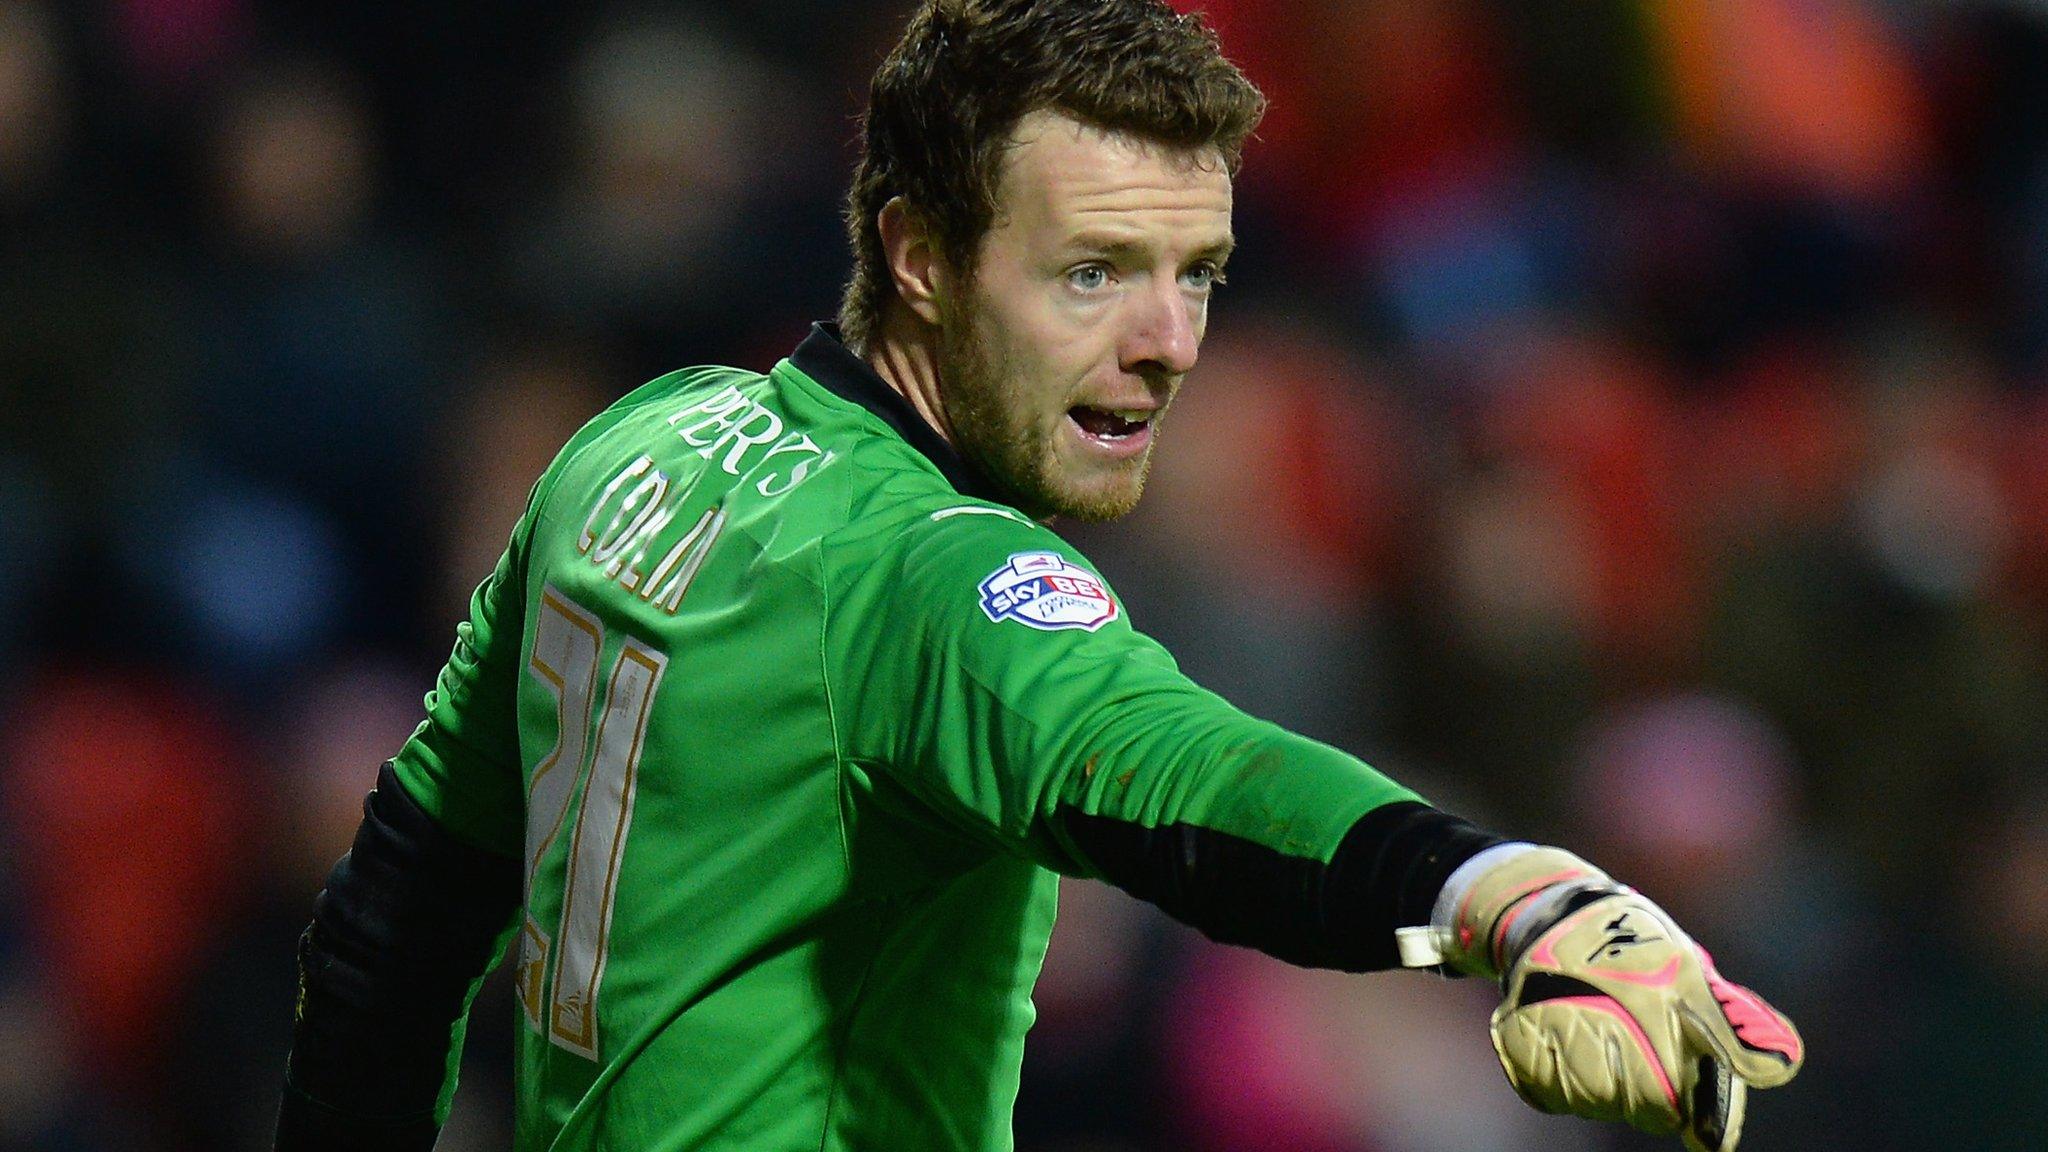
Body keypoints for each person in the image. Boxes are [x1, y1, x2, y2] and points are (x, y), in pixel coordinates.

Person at [275, 2, 1803, 1150]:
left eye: (1193, 271)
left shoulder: (641, 445)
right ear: (921, 256)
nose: (1166, 343)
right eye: (1090, 271)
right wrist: (1504, 896)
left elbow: (397, 921)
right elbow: (1180, 786)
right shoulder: (932, 575)